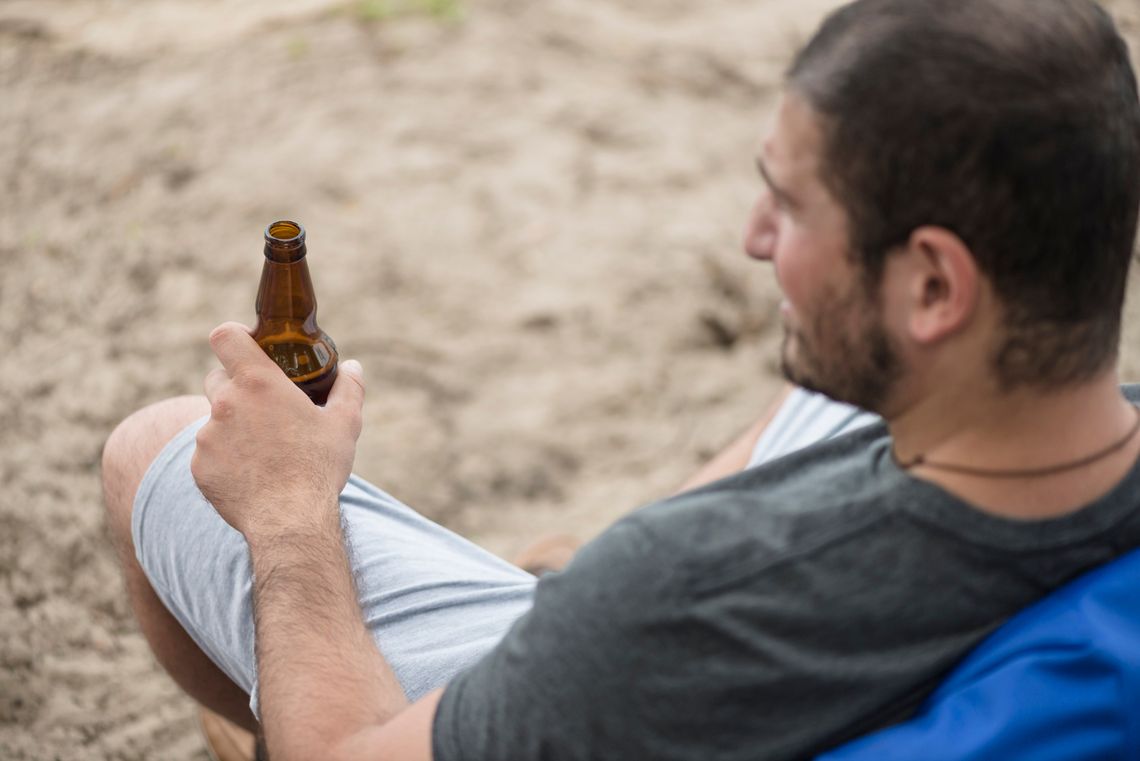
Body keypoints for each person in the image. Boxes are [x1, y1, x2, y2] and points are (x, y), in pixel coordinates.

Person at [100, 0, 1140, 759]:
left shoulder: (680, 598)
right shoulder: (1086, 451)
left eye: (790, 206)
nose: (752, 239)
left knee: (159, 447)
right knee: (827, 392)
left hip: (615, 667)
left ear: (932, 282)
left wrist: (287, 511)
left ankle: (303, 696)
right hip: (674, 627)